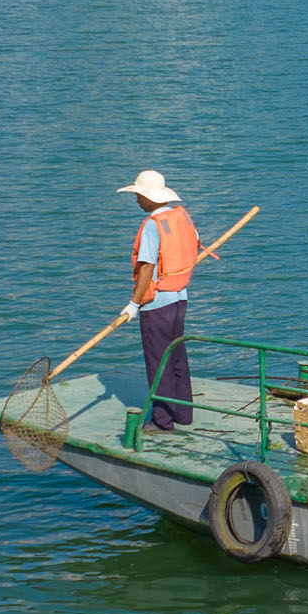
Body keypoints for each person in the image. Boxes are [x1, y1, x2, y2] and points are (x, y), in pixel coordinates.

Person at [120, 170, 199, 432]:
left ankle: (163, 421)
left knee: (158, 362)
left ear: (149, 198)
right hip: (180, 300)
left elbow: (146, 269)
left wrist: (134, 303)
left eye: (139, 196)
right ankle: (183, 413)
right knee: (176, 355)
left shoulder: (153, 226)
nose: (137, 201)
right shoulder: (182, 217)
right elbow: (195, 244)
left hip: (157, 305)